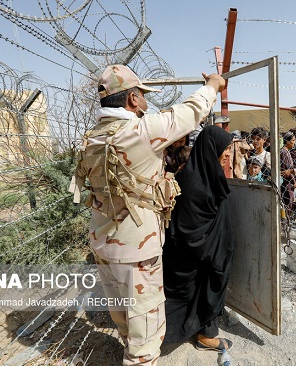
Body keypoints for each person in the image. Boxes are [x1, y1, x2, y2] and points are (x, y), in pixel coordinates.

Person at [69, 64, 225, 365]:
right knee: (146, 333)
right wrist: (213, 85)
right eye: (142, 95)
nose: (146, 102)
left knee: (125, 318)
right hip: (136, 249)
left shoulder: (92, 138)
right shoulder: (138, 131)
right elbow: (191, 112)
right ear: (131, 100)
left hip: (103, 244)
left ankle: (132, 350)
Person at [163, 125, 234, 351]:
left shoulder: (208, 172)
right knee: (193, 290)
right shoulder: (191, 179)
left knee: (206, 286)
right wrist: (212, 251)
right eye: (225, 149)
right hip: (194, 255)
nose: (228, 154)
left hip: (207, 252)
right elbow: (187, 227)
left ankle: (202, 330)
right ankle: (203, 335)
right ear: (211, 149)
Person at [280, 131, 296, 221]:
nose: (294, 142)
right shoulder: (284, 152)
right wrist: (294, 181)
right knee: (288, 203)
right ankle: (286, 223)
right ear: (287, 141)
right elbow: (287, 169)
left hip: (286, 182)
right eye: (293, 140)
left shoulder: (285, 151)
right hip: (287, 182)